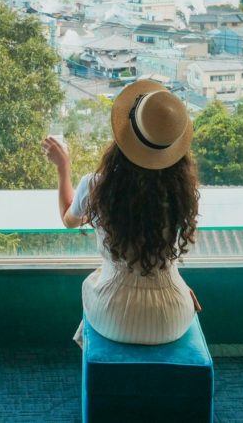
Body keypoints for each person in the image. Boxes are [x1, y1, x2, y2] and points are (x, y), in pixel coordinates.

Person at [42, 79, 201, 346]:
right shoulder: (180, 193)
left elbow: (69, 219)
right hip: (172, 316)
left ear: (123, 137)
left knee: (99, 277)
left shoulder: (98, 186)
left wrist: (63, 167)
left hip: (112, 315)